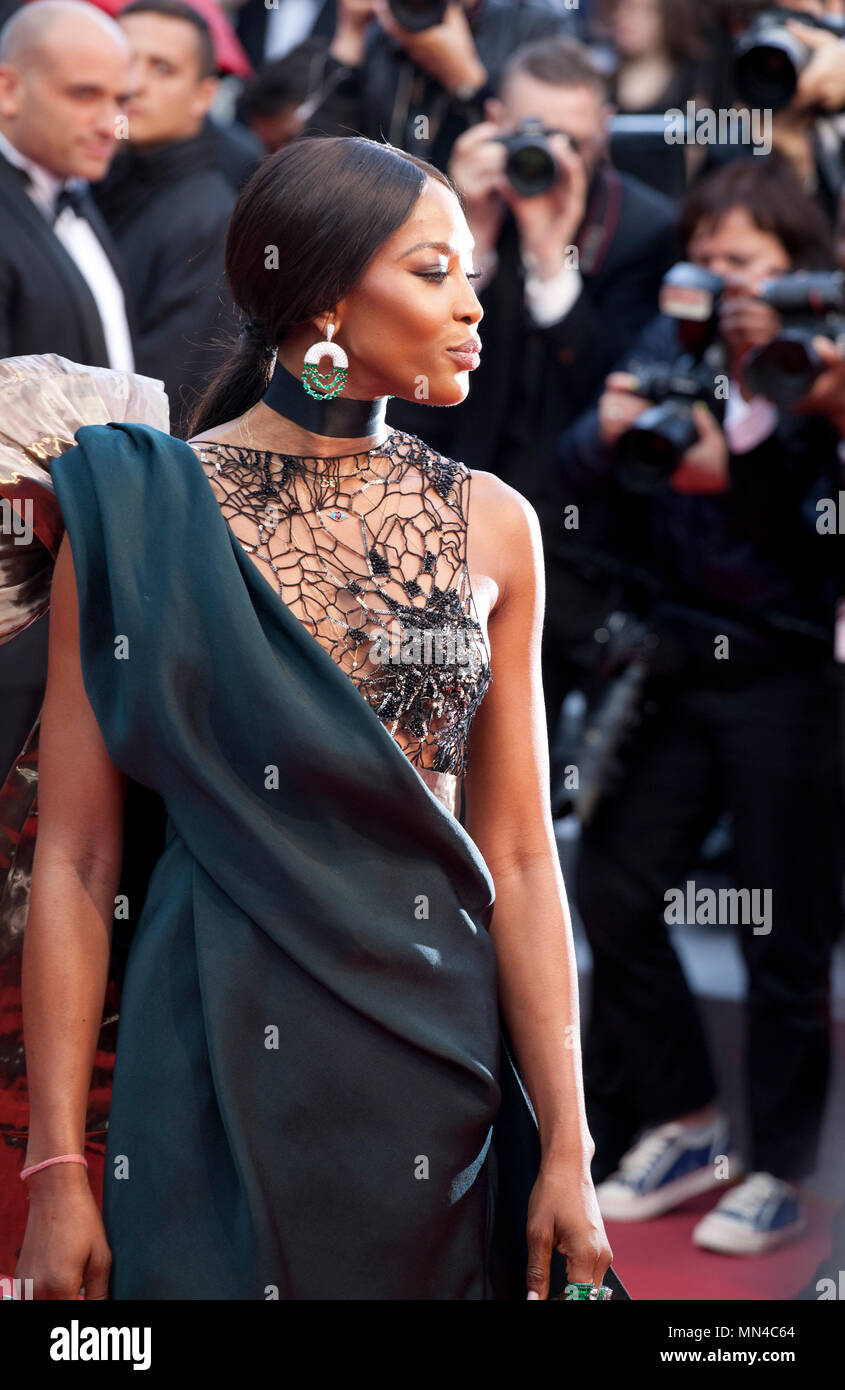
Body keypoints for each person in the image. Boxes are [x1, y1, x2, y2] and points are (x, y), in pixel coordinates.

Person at [15, 134, 622, 1301]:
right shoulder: (135, 506)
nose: (470, 309)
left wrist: (568, 1146)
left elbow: (518, 855)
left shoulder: (495, 524)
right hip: (198, 1046)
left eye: (472, 278)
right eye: (434, 272)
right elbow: (78, 858)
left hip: (433, 1057)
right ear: (329, 296)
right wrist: (58, 1168)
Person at [560, 158, 844, 1255]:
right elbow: (589, 462)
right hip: (676, 660)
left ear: (803, 274)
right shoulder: (663, 339)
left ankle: (773, 1165)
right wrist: (641, 414)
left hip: (791, 680)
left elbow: (792, 511)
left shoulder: (812, 368)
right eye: (710, 260)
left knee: (781, 932)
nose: (726, 285)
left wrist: (778, 402)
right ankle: (682, 1117)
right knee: (614, 883)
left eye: (750, 266)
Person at [387, 35, 679, 744]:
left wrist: (554, 262)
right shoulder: (434, 214)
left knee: (525, 764)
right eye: (529, 134)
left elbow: (611, 395)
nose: (548, 157)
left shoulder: (642, 228)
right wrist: (466, 239)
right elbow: (407, 373)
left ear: (603, 131)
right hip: (431, 535)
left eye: (571, 140)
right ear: (490, 116)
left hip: (575, 555)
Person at [0, 0, 136, 792]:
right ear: (9, 90)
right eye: (87, 96)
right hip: (18, 609)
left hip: (75, 597)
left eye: (121, 101)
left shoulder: (75, 202)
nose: (111, 123)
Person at [92, 0, 239, 436]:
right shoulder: (88, 182)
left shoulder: (210, 220)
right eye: (125, 61)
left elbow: (162, 404)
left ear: (204, 95)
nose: (135, 84)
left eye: (163, 68)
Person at [302, 0, 578, 173]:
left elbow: (543, 158)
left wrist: (467, 82)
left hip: (483, 230)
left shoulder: (536, 26)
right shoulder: (381, 25)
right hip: (381, 222)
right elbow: (315, 168)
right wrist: (350, 39)